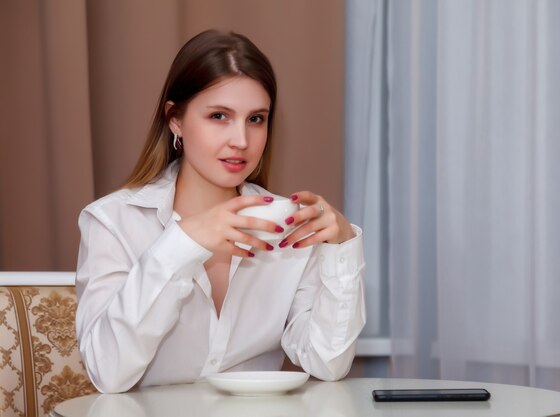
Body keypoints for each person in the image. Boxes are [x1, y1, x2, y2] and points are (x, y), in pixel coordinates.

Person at [75, 29, 366, 394]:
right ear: (175, 120)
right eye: (219, 116)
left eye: (256, 119)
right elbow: (108, 372)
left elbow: (327, 362)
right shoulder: (114, 222)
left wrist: (342, 246)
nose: (241, 141)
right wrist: (181, 245)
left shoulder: (287, 225)